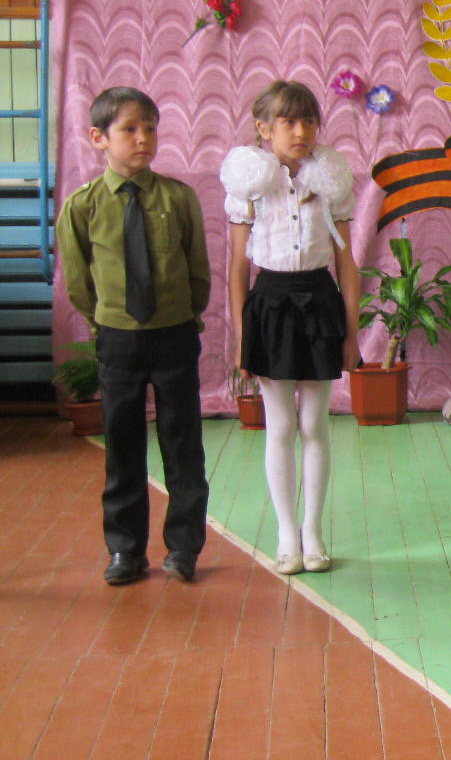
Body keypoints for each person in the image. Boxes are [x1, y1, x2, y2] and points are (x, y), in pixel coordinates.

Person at [59, 86, 211, 585]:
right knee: (123, 447)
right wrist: (107, 321)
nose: (143, 138)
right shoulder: (83, 206)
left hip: (174, 335)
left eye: (150, 128)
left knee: (182, 443)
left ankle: (184, 547)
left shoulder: (178, 198)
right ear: (98, 138)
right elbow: (79, 282)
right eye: (129, 129)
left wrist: (184, 316)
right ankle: (125, 550)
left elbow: (197, 272)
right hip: (119, 341)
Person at [221, 81, 361, 576]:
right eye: (288, 122)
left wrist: (351, 334)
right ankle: (286, 534)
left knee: (314, 424)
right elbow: (238, 268)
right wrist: (243, 338)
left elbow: (347, 265)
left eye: (309, 121)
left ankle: (313, 532)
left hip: (319, 303)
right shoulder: (248, 186)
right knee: (279, 425)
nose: (300, 132)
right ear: (264, 128)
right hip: (270, 307)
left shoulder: (330, 182)